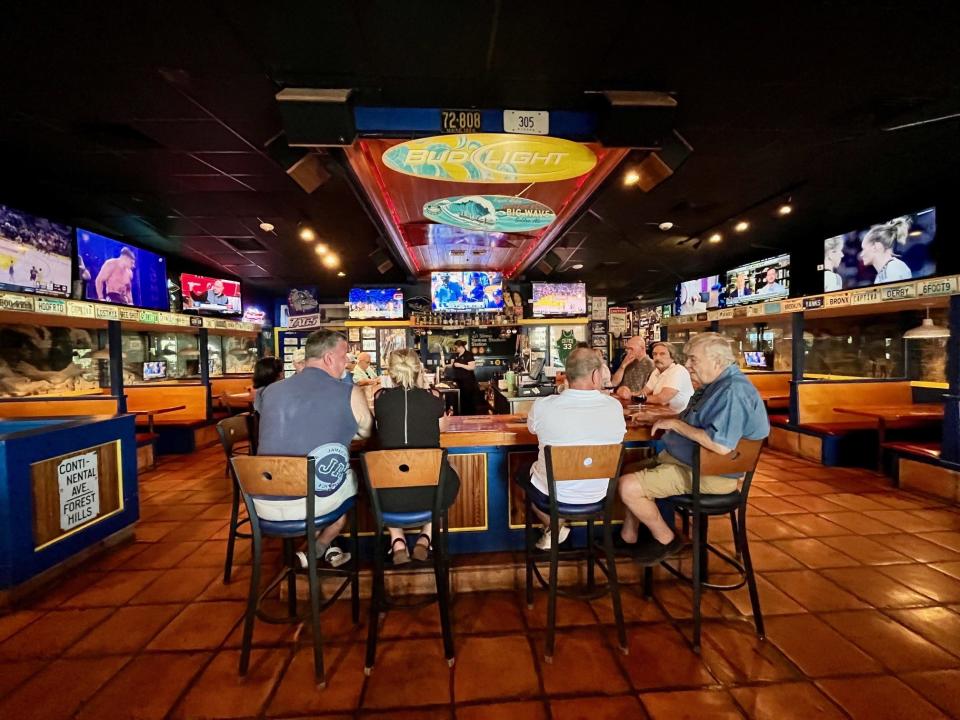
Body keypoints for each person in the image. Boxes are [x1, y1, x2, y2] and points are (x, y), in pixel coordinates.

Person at [617, 333, 769, 563]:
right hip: (688, 462)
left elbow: (719, 445)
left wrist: (675, 424)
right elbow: (694, 418)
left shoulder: (732, 392)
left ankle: (667, 539)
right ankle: (629, 537)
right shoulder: (714, 386)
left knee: (628, 486)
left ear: (717, 361)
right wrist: (660, 418)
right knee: (629, 469)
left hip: (710, 474)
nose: (687, 365)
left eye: (693, 359)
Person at [257, 330, 373, 568]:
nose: (347, 362)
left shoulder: (270, 391)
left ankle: (320, 548)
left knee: (318, 470)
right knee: (349, 477)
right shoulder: (348, 391)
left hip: (262, 501)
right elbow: (366, 432)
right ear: (329, 358)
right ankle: (320, 545)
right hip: (310, 504)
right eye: (344, 357)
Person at [516, 348, 626, 549]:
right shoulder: (614, 407)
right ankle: (557, 529)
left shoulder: (543, 406)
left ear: (566, 375)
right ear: (595, 375)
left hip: (554, 496)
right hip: (600, 495)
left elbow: (531, 429)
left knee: (521, 474)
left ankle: (554, 526)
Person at [373, 349, 461, 564]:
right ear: (418, 369)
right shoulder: (434, 397)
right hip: (430, 495)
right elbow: (442, 428)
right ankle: (426, 536)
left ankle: (397, 541)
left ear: (391, 372)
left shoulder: (380, 398)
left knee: (383, 477)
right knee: (451, 473)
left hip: (386, 497)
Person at [637, 342, 694, 413]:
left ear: (672, 357)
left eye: (662, 354)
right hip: (662, 413)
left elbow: (662, 399)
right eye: (655, 354)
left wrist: (639, 398)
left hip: (680, 417)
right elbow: (643, 393)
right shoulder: (656, 371)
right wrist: (629, 394)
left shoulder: (678, 371)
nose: (657, 358)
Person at [860, 217, 912, 284]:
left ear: (876, 246)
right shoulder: (884, 272)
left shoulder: (894, 268)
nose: (861, 254)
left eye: (864, 249)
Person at [611, 336, 655, 400]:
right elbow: (613, 383)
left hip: (638, 402)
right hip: (622, 401)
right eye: (627, 348)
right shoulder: (627, 361)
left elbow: (651, 390)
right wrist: (622, 366)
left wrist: (631, 395)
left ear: (642, 349)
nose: (628, 351)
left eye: (631, 349)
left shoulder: (652, 365)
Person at [449, 339, 479, 414]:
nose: (455, 349)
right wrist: (445, 366)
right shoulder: (456, 355)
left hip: (468, 382)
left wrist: (460, 365)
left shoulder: (468, 354)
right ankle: (461, 416)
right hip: (459, 381)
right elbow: (452, 365)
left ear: (461, 347)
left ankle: (470, 417)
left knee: (468, 401)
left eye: (456, 347)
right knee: (461, 400)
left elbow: (472, 367)